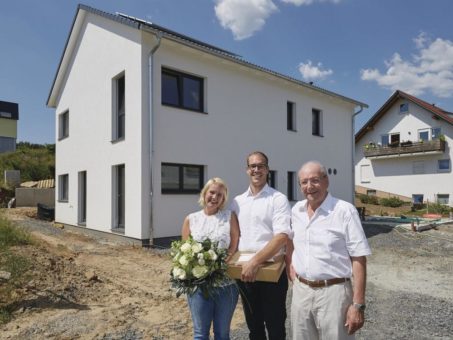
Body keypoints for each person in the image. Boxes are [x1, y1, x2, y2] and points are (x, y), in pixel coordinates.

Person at [287, 161, 372, 340]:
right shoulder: (296, 211)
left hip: (334, 294)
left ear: (326, 181)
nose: (309, 186)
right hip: (301, 292)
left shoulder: (344, 211)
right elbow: (291, 242)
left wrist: (358, 305)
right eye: (304, 182)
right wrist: (290, 265)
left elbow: (358, 258)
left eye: (315, 180)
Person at [231, 151, 292, 340]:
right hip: (245, 273)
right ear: (247, 170)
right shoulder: (237, 202)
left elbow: (282, 236)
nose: (256, 169)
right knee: (254, 326)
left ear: (267, 169)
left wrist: (255, 261)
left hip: (271, 272)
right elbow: (234, 237)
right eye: (252, 166)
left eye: (260, 166)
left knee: (275, 326)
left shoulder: (278, 199)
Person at [181, 177, 240, 340]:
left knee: (222, 334)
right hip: (199, 286)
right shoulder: (191, 219)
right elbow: (185, 252)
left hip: (226, 285)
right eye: (212, 192)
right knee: (200, 334)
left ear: (223, 199)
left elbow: (234, 245)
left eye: (220, 195)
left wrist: (221, 264)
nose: (215, 197)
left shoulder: (229, 217)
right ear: (204, 193)